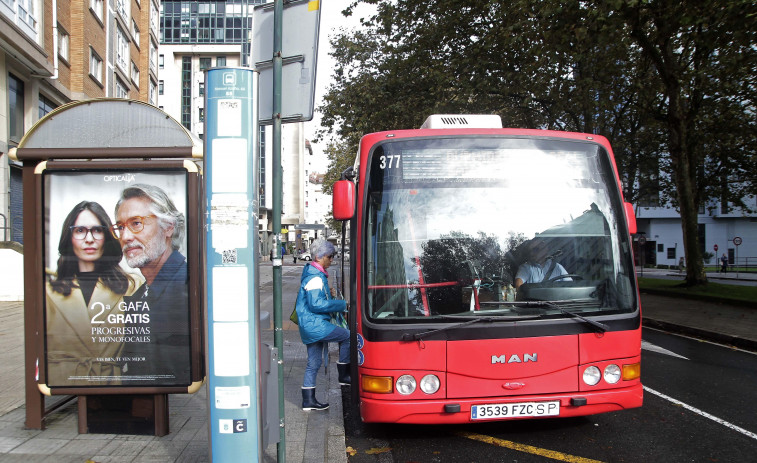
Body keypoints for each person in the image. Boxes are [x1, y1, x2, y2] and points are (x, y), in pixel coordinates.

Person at [46, 201, 141, 386]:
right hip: (63, 386)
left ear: (107, 236)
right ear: (69, 236)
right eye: (80, 230)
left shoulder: (133, 285)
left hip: (111, 387)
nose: (89, 239)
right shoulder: (48, 289)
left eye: (97, 230)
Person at [113, 184, 190, 383]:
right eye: (121, 227)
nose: (126, 237)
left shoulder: (186, 285)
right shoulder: (141, 293)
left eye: (136, 223)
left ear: (169, 227)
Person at [294, 239, 350, 411]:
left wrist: (329, 296)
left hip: (310, 326)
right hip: (315, 324)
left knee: (314, 362)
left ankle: (308, 400)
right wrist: (342, 304)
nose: (332, 260)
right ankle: (344, 375)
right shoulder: (315, 277)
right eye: (330, 256)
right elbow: (316, 305)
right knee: (347, 336)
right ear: (320, 257)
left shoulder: (313, 273)